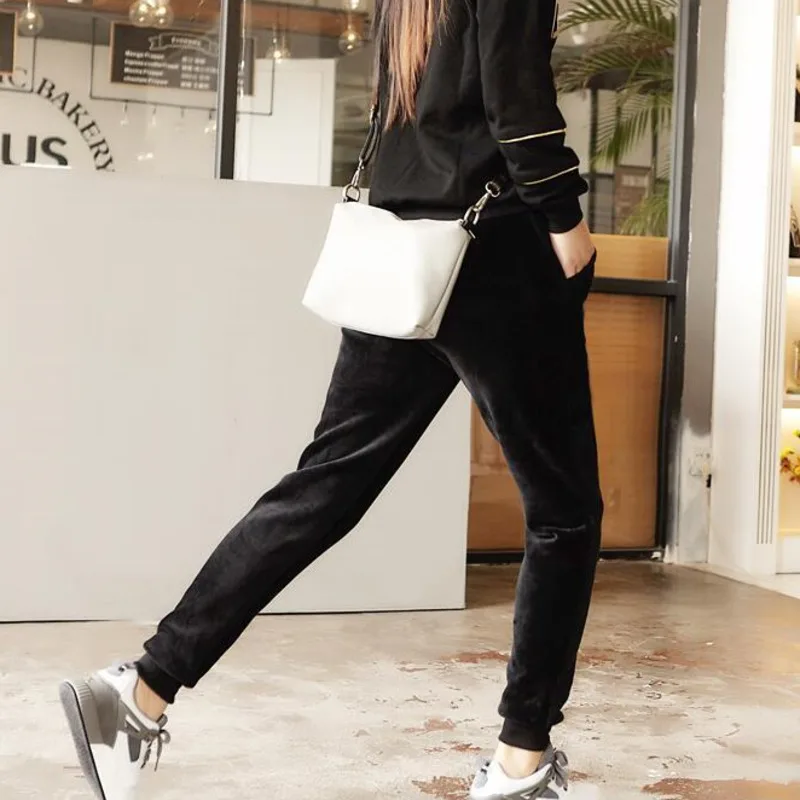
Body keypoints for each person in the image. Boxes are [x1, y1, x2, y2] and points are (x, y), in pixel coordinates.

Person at [59, 0, 602, 798]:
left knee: (326, 485)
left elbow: (409, 106)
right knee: (564, 513)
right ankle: (521, 760)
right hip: (497, 249)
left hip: (402, 242)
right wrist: (567, 221)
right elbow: (514, 103)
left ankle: (142, 688)